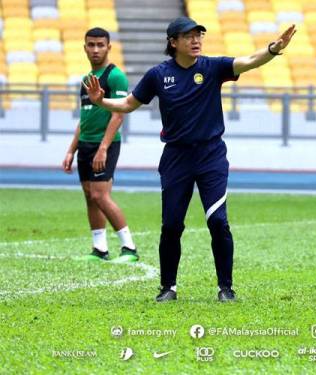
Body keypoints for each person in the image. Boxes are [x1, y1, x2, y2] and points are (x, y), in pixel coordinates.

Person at [83, 17, 296, 302]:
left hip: (211, 156)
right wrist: (101, 101)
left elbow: (249, 61)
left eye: (199, 36)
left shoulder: (213, 67)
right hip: (176, 158)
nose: (196, 41)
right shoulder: (158, 75)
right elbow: (127, 104)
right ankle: (168, 287)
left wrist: (273, 48)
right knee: (171, 225)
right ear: (173, 42)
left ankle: (226, 288)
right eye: (189, 36)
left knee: (218, 222)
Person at [62, 27, 138, 263]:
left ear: (108, 47)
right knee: (90, 196)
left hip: (104, 145)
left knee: (100, 195)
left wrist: (103, 147)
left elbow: (118, 114)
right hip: (85, 145)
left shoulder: (116, 76)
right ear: (84, 47)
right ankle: (100, 249)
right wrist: (71, 149)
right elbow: (84, 118)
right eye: (91, 45)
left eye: (100, 45)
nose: (95, 49)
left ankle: (129, 249)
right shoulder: (86, 80)